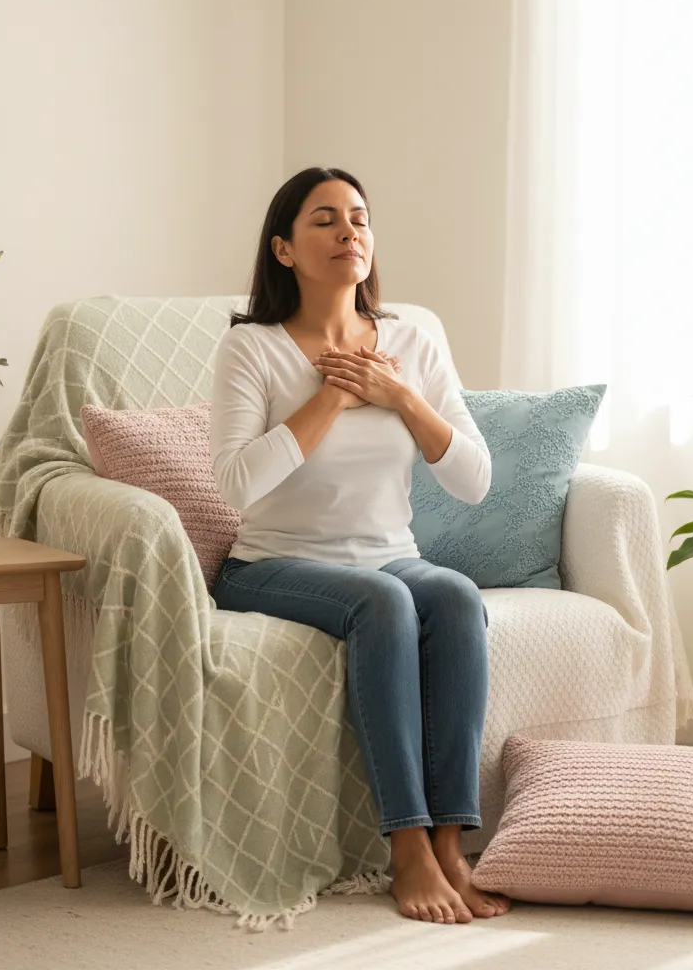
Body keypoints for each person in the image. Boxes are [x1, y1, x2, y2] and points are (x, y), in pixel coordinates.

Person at [209, 166, 510, 925]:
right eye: (325, 219)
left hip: (387, 552)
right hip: (271, 563)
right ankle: (406, 844)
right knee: (383, 603)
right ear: (283, 249)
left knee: (453, 595)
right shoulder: (252, 348)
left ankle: (449, 844)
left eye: (360, 218)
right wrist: (334, 396)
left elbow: (474, 479)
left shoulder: (412, 340)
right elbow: (236, 484)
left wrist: (398, 396)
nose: (350, 231)